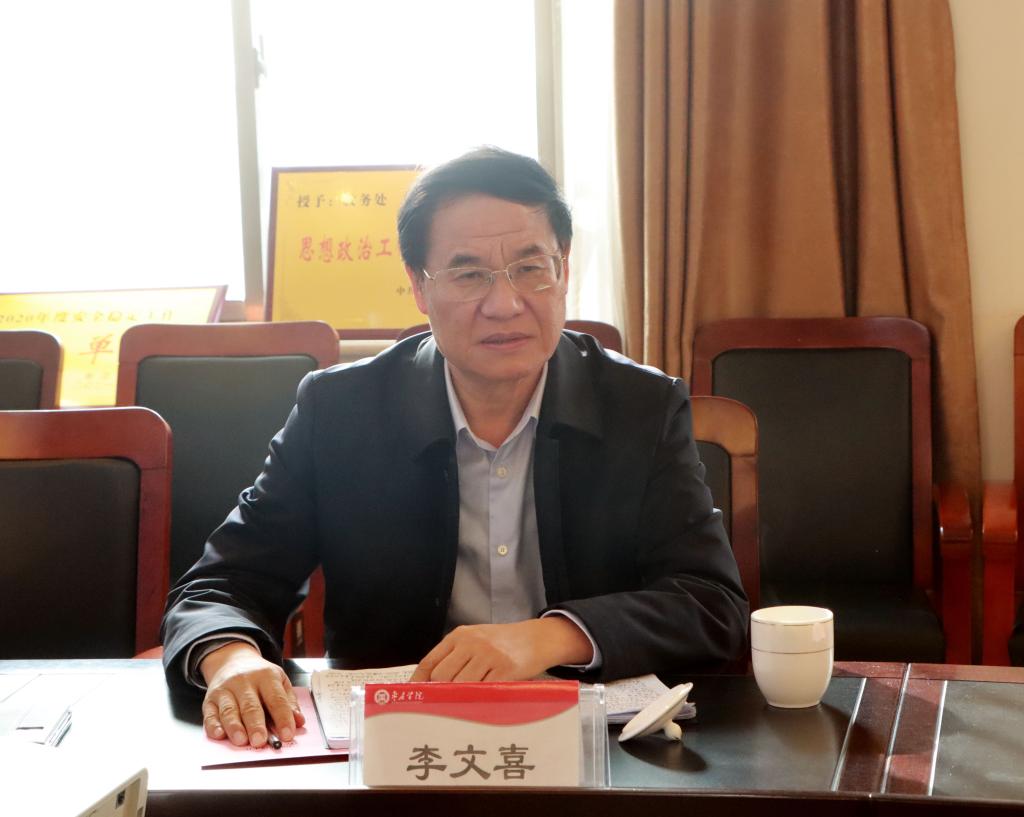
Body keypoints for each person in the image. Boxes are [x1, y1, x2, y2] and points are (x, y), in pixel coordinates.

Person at [160, 146, 748, 749]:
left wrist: (549, 637)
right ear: (419, 286)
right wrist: (231, 660)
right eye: (469, 275)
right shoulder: (340, 412)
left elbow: (711, 604)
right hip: (394, 754)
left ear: (564, 269)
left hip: (594, 752)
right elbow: (222, 584)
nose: (505, 304)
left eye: (530, 268)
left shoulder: (640, 407)